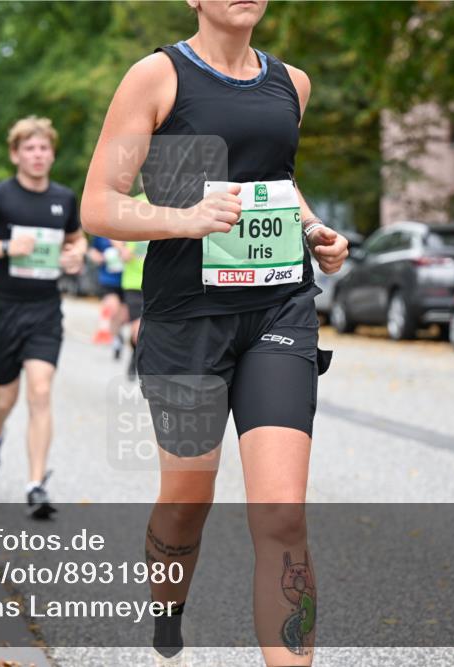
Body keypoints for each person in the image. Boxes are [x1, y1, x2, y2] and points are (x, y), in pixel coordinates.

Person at [81, 2, 348, 664]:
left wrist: (314, 230)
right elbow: (99, 204)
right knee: (185, 502)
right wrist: (187, 216)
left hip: (279, 310)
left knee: (282, 514)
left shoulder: (293, 83)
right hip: (186, 318)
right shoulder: (156, 76)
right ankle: (168, 608)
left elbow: (279, 185)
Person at [0, 116, 87, 519]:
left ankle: (35, 484)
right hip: (3, 309)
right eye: (30, 148)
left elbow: (76, 240)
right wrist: (7, 246)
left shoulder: (64, 198)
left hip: (45, 308)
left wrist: (76, 254)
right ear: (15, 154)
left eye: (44, 148)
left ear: (52, 153)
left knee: (41, 391)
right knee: (5, 398)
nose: (38, 155)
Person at [113, 192, 150, 381]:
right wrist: (121, 249)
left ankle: (137, 357)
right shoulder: (134, 202)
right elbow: (111, 228)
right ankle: (134, 358)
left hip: (160, 280)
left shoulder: (172, 202)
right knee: (137, 329)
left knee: (150, 329)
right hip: (134, 281)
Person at [89, 235, 127, 358]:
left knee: (123, 315)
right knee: (112, 307)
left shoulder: (133, 229)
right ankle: (114, 336)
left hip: (128, 279)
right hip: (108, 279)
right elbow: (92, 250)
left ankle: (117, 335)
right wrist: (97, 256)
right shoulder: (102, 232)